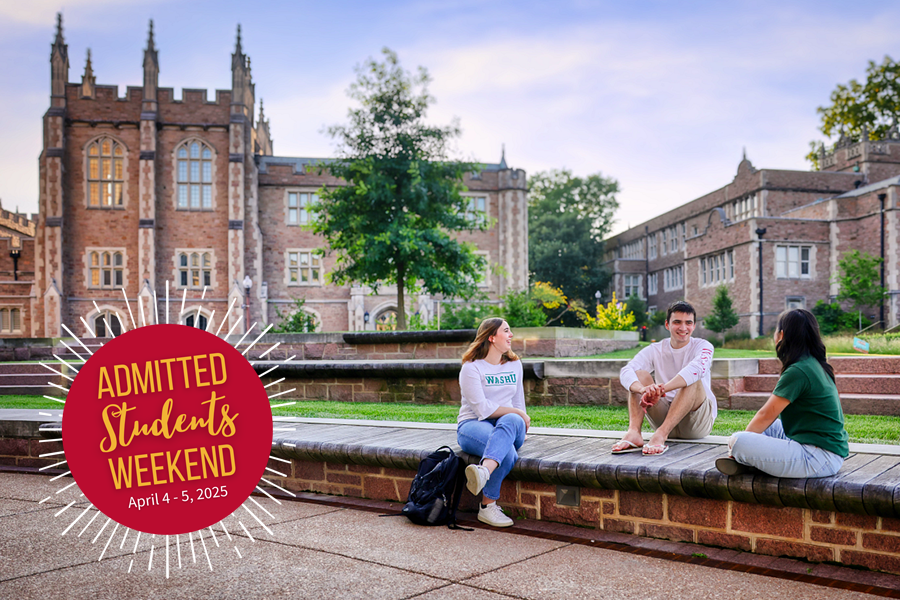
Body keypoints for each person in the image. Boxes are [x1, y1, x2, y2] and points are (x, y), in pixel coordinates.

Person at [716, 308, 848, 477]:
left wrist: (736, 449)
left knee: (738, 440)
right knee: (772, 427)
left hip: (818, 458)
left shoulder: (798, 371)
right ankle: (751, 462)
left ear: (782, 335)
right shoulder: (813, 364)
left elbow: (765, 415)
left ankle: (744, 460)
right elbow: (767, 420)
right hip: (822, 451)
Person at [614, 300, 716, 456]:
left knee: (693, 379)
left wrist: (660, 390)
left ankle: (661, 434)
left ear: (694, 326)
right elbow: (627, 371)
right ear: (667, 325)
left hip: (695, 422)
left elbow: (696, 370)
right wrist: (643, 389)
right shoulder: (655, 349)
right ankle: (634, 432)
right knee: (639, 374)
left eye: (688, 323)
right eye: (677, 322)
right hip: (663, 416)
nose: (683, 328)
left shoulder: (704, 346)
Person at [457, 317, 530, 527]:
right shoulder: (471, 368)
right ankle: (487, 507)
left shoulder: (515, 364)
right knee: (505, 452)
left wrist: (519, 421)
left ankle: (483, 471)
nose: (511, 335)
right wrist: (517, 412)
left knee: (511, 419)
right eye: (506, 331)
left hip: (509, 427)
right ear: (491, 337)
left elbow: (519, 402)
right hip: (473, 425)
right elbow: (481, 409)